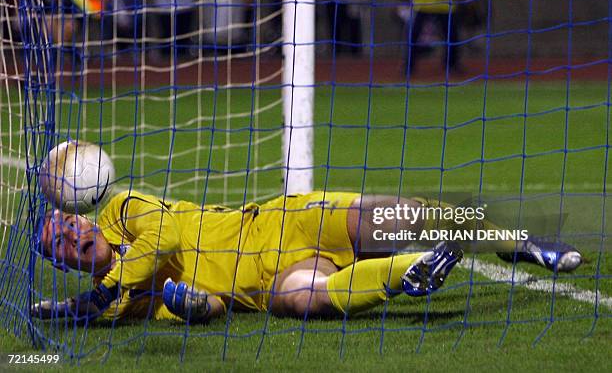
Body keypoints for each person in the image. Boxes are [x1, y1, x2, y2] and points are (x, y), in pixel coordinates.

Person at [32, 190, 582, 323]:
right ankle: (410, 271)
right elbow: (213, 307)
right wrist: (195, 305)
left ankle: (519, 241)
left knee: (401, 216)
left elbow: (169, 240)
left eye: (68, 224)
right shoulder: (129, 300)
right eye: (59, 243)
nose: (72, 234)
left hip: (284, 220)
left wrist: (108, 286)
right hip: (268, 282)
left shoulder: (125, 208)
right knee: (301, 301)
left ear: (83, 217)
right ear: (62, 262)